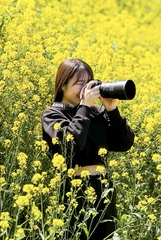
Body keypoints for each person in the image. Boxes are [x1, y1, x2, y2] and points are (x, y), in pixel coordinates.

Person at [41, 58, 134, 239]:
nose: (85, 88)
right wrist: (84, 106)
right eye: (79, 83)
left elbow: (125, 143)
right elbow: (70, 146)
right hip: (74, 191)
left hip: (103, 189)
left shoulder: (96, 113)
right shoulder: (52, 114)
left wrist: (112, 110)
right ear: (62, 86)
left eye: (88, 82)